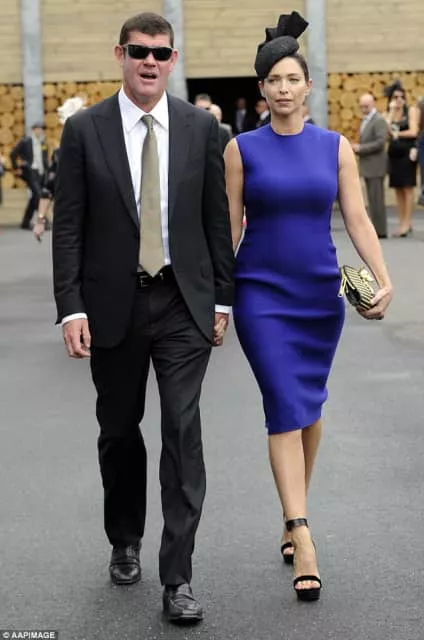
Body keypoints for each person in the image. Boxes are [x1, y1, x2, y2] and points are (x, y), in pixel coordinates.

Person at [53, 11, 234, 624]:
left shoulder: (201, 129)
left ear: (173, 60)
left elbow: (215, 219)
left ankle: (177, 578)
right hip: (114, 304)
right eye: (138, 52)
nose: (149, 61)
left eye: (160, 52)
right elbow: (69, 226)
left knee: (182, 431)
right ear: (120, 55)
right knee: (119, 432)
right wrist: (71, 306)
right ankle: (124, 537)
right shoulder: (84, 130)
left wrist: (222, 299)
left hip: (183, 302)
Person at [224, 10, 393, 602]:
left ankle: (290, 510)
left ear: (308, 86)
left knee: (309, 408)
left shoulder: (336, 147)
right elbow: (230, 229)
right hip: (260, 296)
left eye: (292, 79)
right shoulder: (241, 149)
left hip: (321, 297)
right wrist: (219, 299)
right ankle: (302, 532)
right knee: (283, 405)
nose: (284, 88)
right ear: (262, 89)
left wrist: (382, 278)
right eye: (274, 80)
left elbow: (358, 218)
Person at [33, 97, 86, 242]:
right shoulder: (59, 155)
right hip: (68, 221)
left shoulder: (102, 151)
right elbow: (48, 189)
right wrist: (40, 220)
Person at [383, 80, 419, 237]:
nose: (399, 100)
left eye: (401, 96)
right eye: (395, 97)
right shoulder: (388, 113)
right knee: (398, 188)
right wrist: (391, 112)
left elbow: (413, 131)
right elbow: (385, 132)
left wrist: (397, 134)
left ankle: (407, 222)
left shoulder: (410, 111)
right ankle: (402, 221)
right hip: (394, 155)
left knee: (407, 187)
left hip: (407, 154)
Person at [352, 93, 388, 238]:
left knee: (377, 200)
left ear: (373, 104)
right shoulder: (366, 120)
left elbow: (380, 142)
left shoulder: (378, 120)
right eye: (361, 106)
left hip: (376, 166)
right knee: (372, 201)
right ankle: (375, 229)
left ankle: (380, 231)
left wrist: (361, 148)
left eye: (366, 106)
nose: (363, 109)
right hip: (369, 165)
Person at [10, 123, 48, 229]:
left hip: (41, 173)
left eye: (41, 129)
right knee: (39, 195)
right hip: (30, 172)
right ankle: (44, 220)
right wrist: (16, 168)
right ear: (33, 130)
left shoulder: (43, 143)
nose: (40, 131)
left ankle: (25, 222)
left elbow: (44, 158)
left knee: (34, 197)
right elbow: (13, 154)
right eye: (38, 129)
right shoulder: (25, 141)